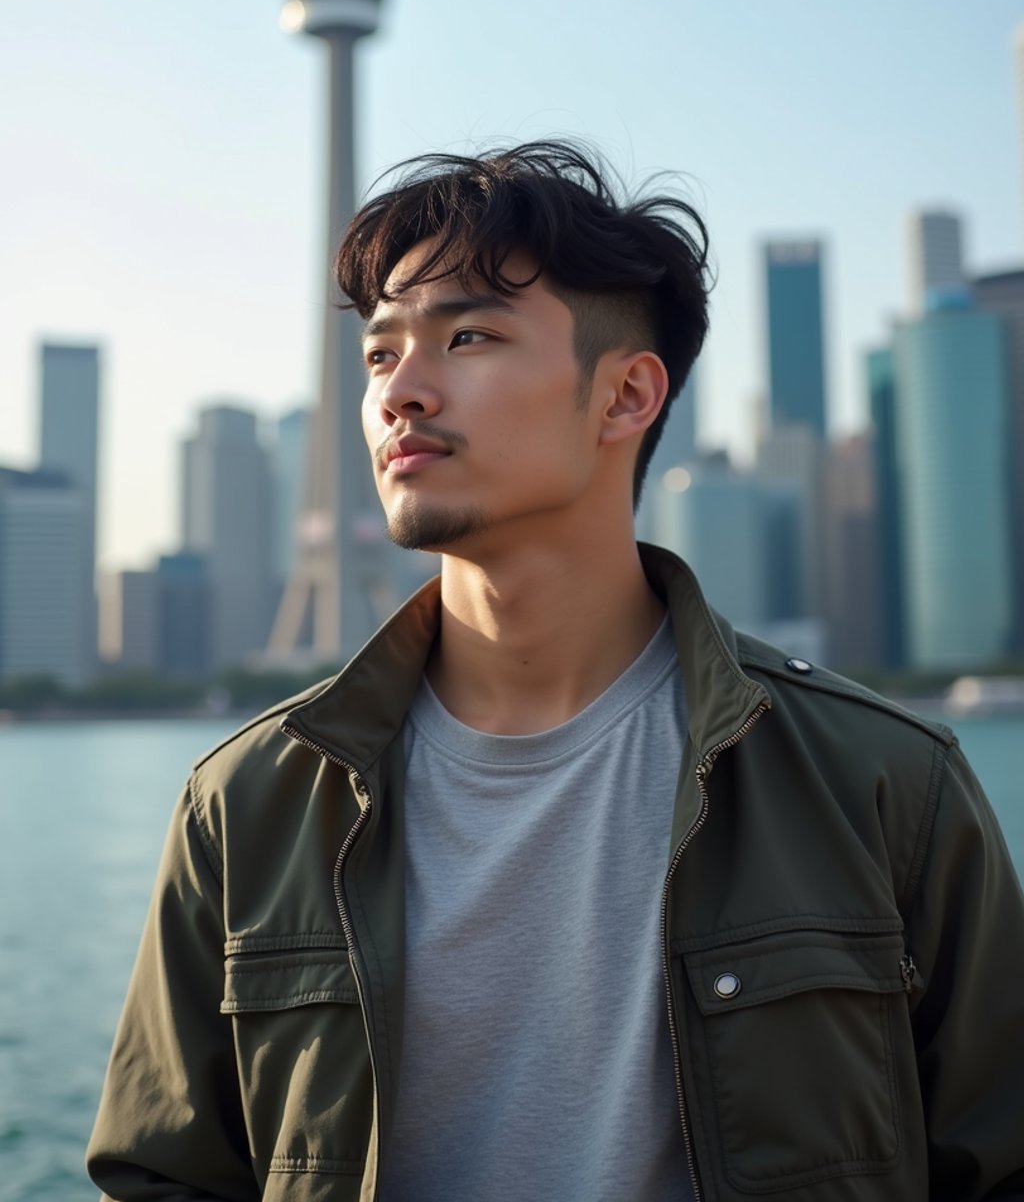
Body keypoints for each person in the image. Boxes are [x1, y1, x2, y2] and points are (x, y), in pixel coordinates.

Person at [88, 141, 1024, 1202]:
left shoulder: (880, 785)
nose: (402, 392)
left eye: (470, 336)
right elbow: (163, 1179)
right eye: (380, 354)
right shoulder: (250, 804)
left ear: (625, 396)